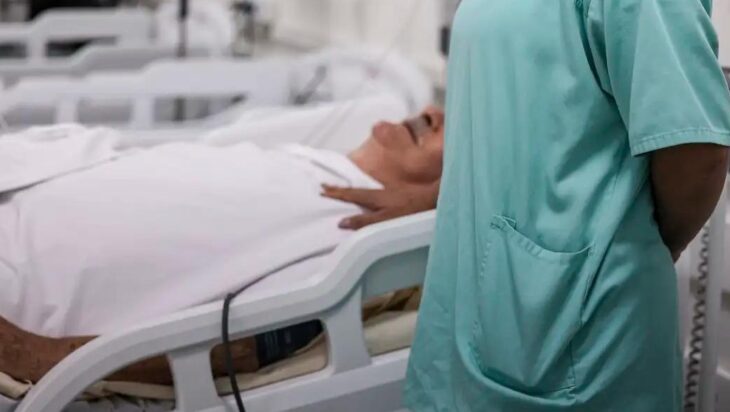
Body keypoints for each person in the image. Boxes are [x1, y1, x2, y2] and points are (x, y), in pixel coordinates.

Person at [331, 2, 730, 412]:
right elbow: (533, 105)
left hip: (573, 330)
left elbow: (696, 154)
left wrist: (645, 246)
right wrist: (445, 193)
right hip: (470, 314)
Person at [0, 107, 443, 385]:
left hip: (21, 288)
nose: (434, 112)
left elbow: (243, 346)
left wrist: (44, 357)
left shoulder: (364, 245)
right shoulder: (298, 157)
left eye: (462, 131)